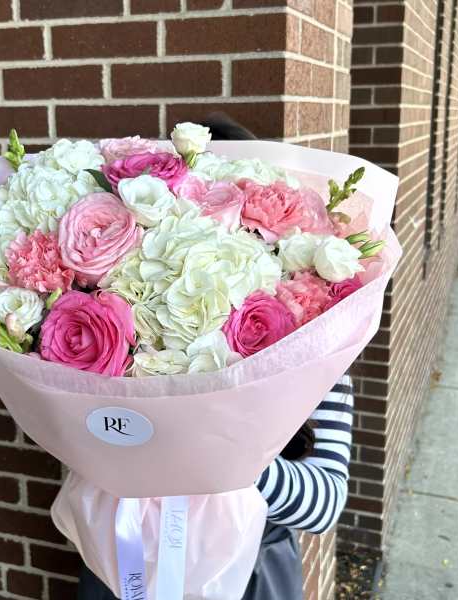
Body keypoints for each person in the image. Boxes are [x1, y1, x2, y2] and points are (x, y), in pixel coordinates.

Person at [77, 115, 354, 600]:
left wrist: (211, 450)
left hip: (248, 571)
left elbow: (324, 503)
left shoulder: (312, 338)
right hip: (126, 557)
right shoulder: (119, 317)